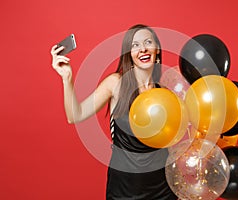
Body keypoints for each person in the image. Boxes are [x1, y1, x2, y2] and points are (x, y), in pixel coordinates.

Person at [51, 24, 178, 200]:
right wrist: (67, 78)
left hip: (163, 189)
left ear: (157, 50)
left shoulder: (165, 93)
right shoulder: (116, 83)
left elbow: (171, 145)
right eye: (135, 45)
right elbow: (75, 115)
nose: (143, 49)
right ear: (129, 54)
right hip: (125, 189)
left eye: (148, 42)